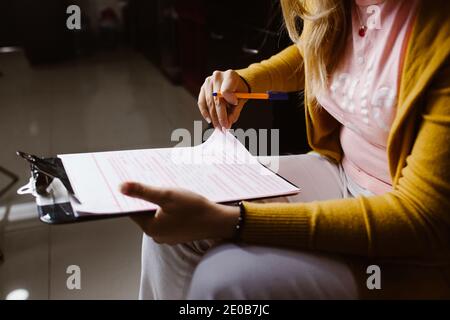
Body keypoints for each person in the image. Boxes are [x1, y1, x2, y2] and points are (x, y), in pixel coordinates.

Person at [120, 0, 450, 299]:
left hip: (416, 247)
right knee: (170, 218)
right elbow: (317, 50)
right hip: (341, 174)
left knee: (223, 281)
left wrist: (231, 221)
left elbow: (423, 219)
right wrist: (248, 81)